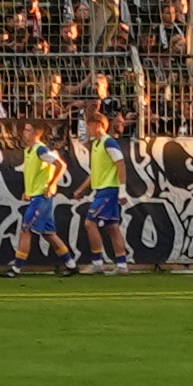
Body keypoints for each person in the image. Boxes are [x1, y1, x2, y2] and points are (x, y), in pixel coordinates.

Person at [10, 125, 66, 278]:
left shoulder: (40, 150)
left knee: (26, 230)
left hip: (42, 197)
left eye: (27, 130)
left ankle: (16, 267)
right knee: (49, 233)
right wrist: (28, 191)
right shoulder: (29, 151)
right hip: (36, 196)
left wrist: (52, 184)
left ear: (36, 133)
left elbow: (60, 165)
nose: (24, 133)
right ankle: (70, 264)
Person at [80, 115, 130, 274]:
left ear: (98, 125)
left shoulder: (109, 142)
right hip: (102, 190)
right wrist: (82, 189)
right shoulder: (96, 145)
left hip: (109, 190)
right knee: (112, 227)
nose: (88, 129)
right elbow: (95, 171)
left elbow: (120, 163)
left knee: (89, 222)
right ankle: (122, 265)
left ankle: (97, 261)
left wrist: (122, 190)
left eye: (89, 125)